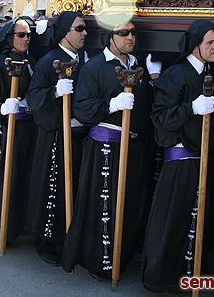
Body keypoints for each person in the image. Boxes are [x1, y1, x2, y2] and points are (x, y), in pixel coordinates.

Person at [61, 16, 154, 281]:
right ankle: (99, 262)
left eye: (133, 33)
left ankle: (121, 259)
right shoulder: (94, 68)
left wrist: (155, 79)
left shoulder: (138, 66)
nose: (130, 38)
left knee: (131, 205)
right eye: (123, 33)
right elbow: (82, 108)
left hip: (134, 146)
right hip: (106, 149)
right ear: (109, 37)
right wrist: (113, 104)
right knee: (104, 207)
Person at [141, 19, 214, 293]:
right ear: (195, 45)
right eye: (210, 42)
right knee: (173, 223)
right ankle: (162, 277)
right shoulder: (176, 75)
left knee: (200, 220)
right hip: (180, 163)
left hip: (204, 158)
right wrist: (191, 108)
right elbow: (160, 118)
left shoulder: (213, 73)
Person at [25, 11, 88, 266]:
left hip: (80, 136)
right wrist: (54, 91)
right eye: (79, 28)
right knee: (53, 190)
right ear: (64, 33)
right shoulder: (48, 61)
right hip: (55, 136)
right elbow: (32, 98)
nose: (85, 33)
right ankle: (47, 242)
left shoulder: (84, 59)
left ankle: (70, 239)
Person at [0, 18, 37, 246]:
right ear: (10, 37)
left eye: (28, 35)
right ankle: (0, 228)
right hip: (6, 129)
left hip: (28, 132)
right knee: (4, 180)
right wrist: (2, 108)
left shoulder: (31, 61)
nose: (26, 39)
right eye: (21, 35)